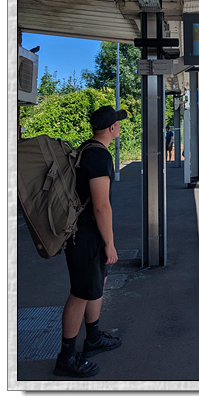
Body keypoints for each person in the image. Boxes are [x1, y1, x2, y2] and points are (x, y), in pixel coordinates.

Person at [54, 105, 127, 378]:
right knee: (80, 293)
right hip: (85, 236)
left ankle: (93, 338)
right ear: (112, 128)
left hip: (84, 233)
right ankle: (66, 358)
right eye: (118, 123)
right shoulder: (98, 156)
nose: (119, 127)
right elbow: (101, 206)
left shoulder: (86, 149)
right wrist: (110, 242)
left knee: (96, 285)